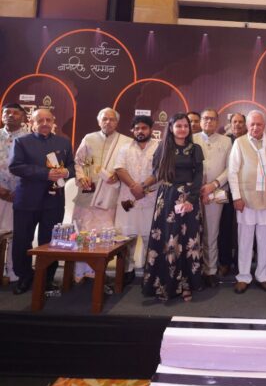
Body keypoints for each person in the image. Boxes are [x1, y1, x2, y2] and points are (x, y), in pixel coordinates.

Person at [9, 108, 74, 294]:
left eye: (48, 120)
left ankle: (47, 279)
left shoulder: (63, 142)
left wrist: (66, 172)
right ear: (32, 123)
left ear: (53, 122)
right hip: (27, 200)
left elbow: (73, 166)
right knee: (22, 240)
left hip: (54, 201)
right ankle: (24, 277)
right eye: (40, 120)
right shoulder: (21, 141)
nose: (45, 123)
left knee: (51, 242)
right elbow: (15, 166)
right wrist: (46, 174)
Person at [142, 113, 204, 302]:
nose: (183, 129)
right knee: (168, 240)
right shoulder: (163, 147)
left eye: (186, 126)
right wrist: (143, 186)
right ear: (170, 128)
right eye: (178, 126)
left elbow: (199, 176)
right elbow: (156, 172)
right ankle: (164, 284)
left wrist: (190, 199)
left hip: (189, 198)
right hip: (168, 198)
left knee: (188, 241)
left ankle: (186, 284)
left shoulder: (195, 149)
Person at [72, 108, 131, 281]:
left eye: (112, 119)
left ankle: (99, 274)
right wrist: (81, 177)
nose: (108, 122)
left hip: (109, 195)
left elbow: (128, 167)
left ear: (117, 122)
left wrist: (118, 177)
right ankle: (81, 272)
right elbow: (78, 162)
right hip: (87, 193)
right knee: (83, 232)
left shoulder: (126, 142)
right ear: (99, 121)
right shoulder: (89, 138)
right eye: (104, 119)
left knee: (104, 234)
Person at [228, 110, 266, 294]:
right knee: (245, 240)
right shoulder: (240, 143)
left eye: (259, 124)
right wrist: (236, 197)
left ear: (264, 125)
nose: (255, 128)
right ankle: (243, 276)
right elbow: (232, 171)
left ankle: (262, 276)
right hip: (246, 200)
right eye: (252, 124)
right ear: (247, 126)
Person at [114, 115, 159, 285]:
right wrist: (134, 187)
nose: (140, 131)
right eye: (137, 128)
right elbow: (119, 169)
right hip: (129, 200)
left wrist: (143, 187)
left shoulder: (159, 147)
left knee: (150, 237)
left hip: (151, 199)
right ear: (132, 130)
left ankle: (150, 272)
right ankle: (126, 270)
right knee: (127, 237)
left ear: (151, 130)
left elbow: (160, 170)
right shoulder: (125, 148)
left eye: (144, 128)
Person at [193, 108, 232, 287]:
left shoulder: (226, 141)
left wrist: (214, 184)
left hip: (217, 192)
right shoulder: (192, 139)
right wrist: (197, 187)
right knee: (192, 233)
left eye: (212, 119)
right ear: (200, 121)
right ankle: (193, 270)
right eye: (205, 118)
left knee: (211, 233)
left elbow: (230, 168)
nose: (209, 121)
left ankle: (210, 270)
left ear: (217, 122)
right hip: (193, 193)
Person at [0, 103, 29, 282]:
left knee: (17, 235)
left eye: (15, 113)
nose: (10, 115)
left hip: (20, 195)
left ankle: (13, 272)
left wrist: (20, 191)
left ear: (23, 117)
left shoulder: (30, 139)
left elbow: (34, 167)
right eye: (7, 112)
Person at [218, 112, 247, 276]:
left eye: (240, 122)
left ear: (245, 124)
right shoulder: (224, 140)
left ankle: (240, 263)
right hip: (226, 190)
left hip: (246, 191)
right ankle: (225, 262)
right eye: (234, 121)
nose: (237, 124)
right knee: (226, 227)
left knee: (244, 229)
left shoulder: (250, 140)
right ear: (230, 123)